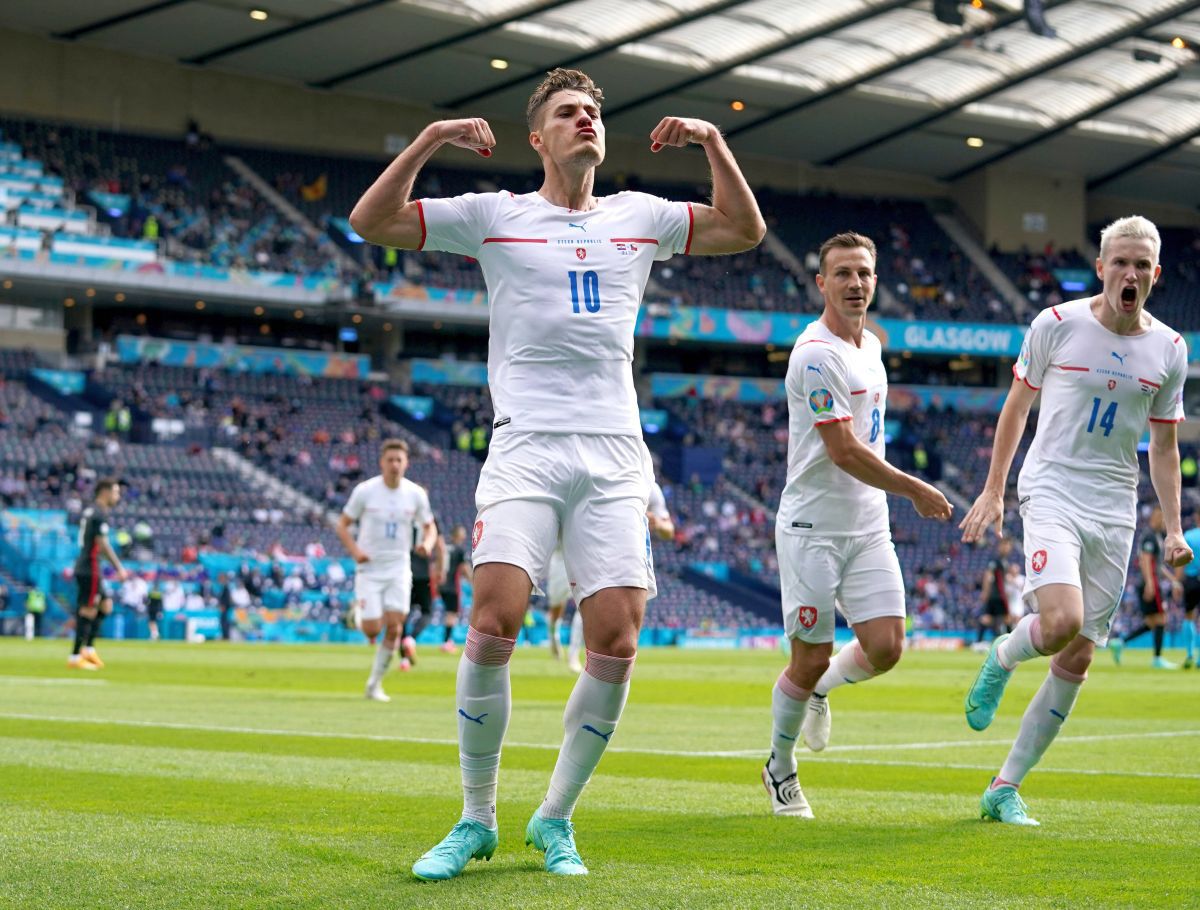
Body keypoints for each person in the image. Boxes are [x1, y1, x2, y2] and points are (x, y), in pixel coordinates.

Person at [350, 67, 764, 878]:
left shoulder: (640, 216)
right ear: (537, 138)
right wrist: (432, 140)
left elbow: (742, 230)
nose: (585, 122)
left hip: (614, 452)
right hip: (527, 444)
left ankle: (555, 818)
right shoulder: (494, 216)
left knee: (614, 639)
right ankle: (475, 818)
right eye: (567, 114)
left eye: (592, 114)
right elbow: (372, 221)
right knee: (495, 619)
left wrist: (714, 143)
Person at [960, 215, 1191, 826]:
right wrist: (994, 491)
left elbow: (1164, 447)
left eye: (1142, 264)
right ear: (1101, 267)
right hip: (1053, 487)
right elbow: (1016, 409)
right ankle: (1003, 658)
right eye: (1120, 262)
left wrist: (1171, 527)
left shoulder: (1170, 349)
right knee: (1059, 621)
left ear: (1157, 274)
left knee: (1080, 655)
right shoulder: (1057, 325)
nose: (1131, 273)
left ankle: (1003, 787)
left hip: (1115, 505)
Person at [763, 231, 953, 818]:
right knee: (808, 655)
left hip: (867, 525)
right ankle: (779, 766)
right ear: (821, 283)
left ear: (876, 281)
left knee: (887, 646)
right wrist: (915, 487)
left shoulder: (871, 344)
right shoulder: (816, 354)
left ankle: (822, 692)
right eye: (842, 273)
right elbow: (843, 450)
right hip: (813, 528)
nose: (855, 283)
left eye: (864, 273)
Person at [336, 440, 436, 702]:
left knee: (395, 628)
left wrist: (427, 544)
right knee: (371, 630)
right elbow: (343, 525)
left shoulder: (415, 494)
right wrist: (356, 552)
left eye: (399, 460)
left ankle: (374, 684)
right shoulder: (366, 491)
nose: (394, 465)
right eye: (390, 460)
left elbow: (430, 526)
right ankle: (358, 613)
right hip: (370, 568)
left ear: (406, 463)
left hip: (399, 568)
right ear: (382, 462)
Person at [565, 479, 673, 673]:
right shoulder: (606, 475)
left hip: (633, 555)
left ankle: (613, 662)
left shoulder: (651, 488)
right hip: (597, 545)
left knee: (628, 611)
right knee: (586, 603)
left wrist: (657, 524)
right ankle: (576, 656)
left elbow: (669, 530)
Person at [69, 478, 129, 669]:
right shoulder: (98, 513)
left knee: (106, 606)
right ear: (104, 492)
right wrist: (119, 567)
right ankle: (76, 656)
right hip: (90, 567)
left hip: (87, 565)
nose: (117, 496)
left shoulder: (90, 511)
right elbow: (102, 544)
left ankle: (89, 650)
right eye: (116, 492)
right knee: (88, 609)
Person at [1110, 506, 1177, 668]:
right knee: (1161, 619)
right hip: (1150, 581)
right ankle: (1157, 659)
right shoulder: (1149, 536)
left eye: (1163, 517)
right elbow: (1145, 561)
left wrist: (1173, 579)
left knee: (1152, 622)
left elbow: (1158, 565)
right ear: (1153, 517)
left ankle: (1120, 642)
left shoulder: (1157, 536)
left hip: (1151, 580)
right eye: (1159, 517)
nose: (1161, 520)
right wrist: (1149, 583)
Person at [438, 524, 472, 654]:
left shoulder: (445, 548)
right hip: (453, 586)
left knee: (448, 613)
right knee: (452, 614)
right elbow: (464, 568)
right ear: (458, 535)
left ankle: (446, 641)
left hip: (443, 586)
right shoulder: (459, 550)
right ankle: (447, 642)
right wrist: (472, 582)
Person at [976, 538, 1016, 646]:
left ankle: (978, 642)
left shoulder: (1004, 562)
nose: (1007, 548)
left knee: (987, 618)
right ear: (1000, 547)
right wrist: (985, 592)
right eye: (1005, 545)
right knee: (1007, 618)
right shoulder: (996, 561)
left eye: (1008, 546)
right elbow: (988, 575)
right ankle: (1012, 644)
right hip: (998, 595)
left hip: (998, 594)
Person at [1178, 510, 1200, 669]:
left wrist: (1177, 583)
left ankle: (1190, 654)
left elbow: (1182, 560)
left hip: (1191, 580)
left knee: (1189, 616)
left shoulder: (1189, 535)